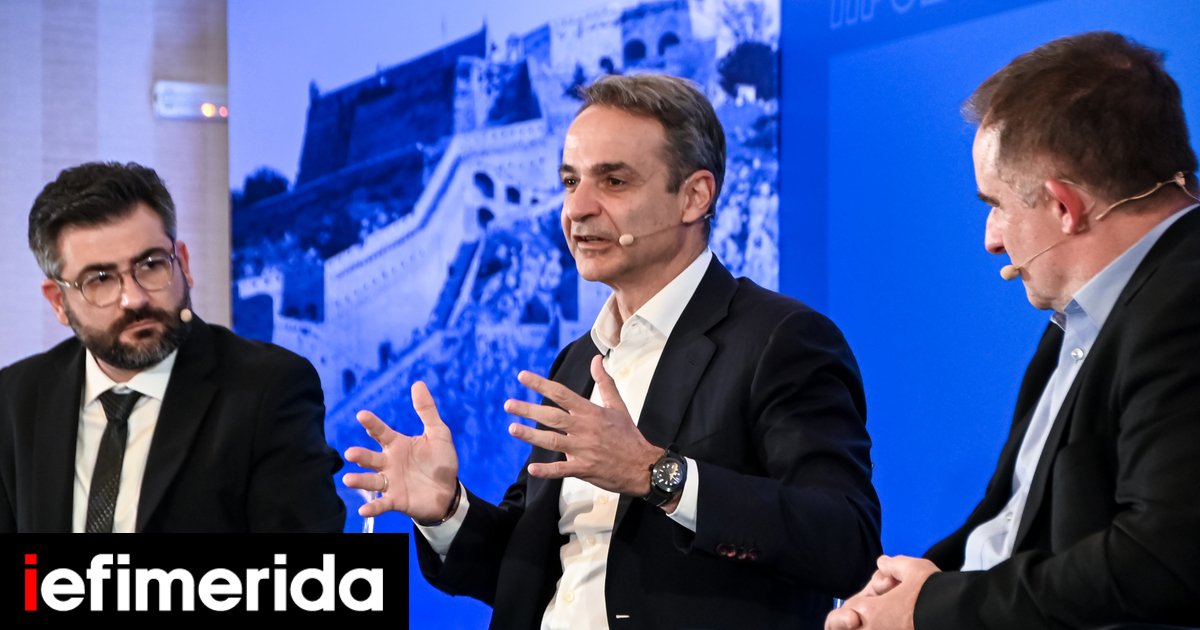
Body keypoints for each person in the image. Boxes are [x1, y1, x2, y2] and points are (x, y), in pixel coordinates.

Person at [344, 74, 881, 628]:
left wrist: (658, 475)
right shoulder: (578, 361)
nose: (577, 208)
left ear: (694, 196)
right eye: (570, 181)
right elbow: (525, 572)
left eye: (614, 181)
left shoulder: (780, 339)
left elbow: (845, 541)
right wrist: (447, 509)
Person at [827, 31, 1200, 630]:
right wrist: (905, 590)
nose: (992, 240)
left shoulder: (1182, 306)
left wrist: (931, 608)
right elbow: (1009, 522)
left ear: (1063, 207)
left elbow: (1160, 562)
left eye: (995, 205)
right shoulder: (1085, 314)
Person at [0, 161, 345, 533]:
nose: (134, 299)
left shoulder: (268, 389)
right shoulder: (16, 399)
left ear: (183, 264)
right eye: (100, 280)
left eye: (151, 265)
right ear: (58, 302)